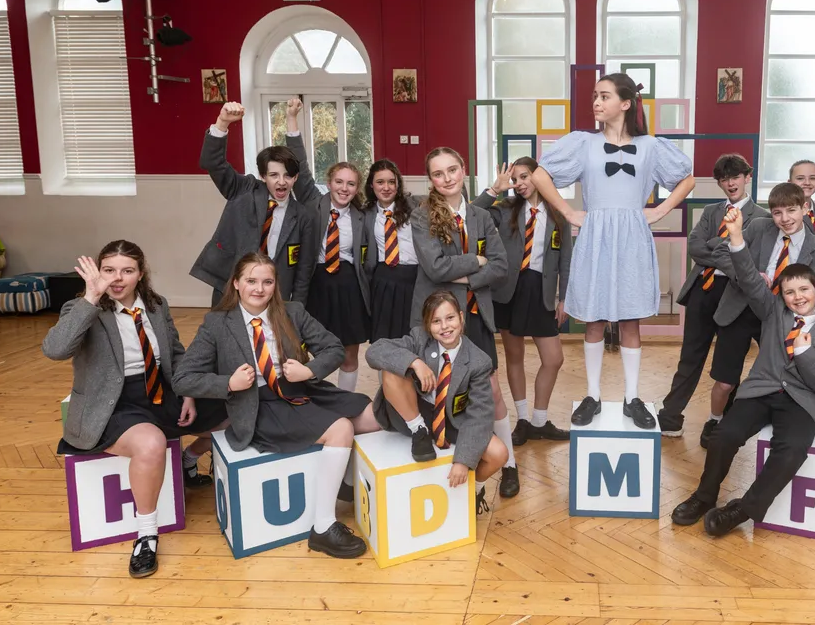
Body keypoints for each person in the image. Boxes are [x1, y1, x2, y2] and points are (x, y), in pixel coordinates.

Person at [174, 253, 381, 559]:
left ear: (275, 285)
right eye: (251, 281)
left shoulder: (292, 312)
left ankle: (342, 482)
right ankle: (323, 526)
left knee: (372, 418)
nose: (259, 289)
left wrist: (309, 371)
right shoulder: (217, 323)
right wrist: (228, 384)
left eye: (267, 281)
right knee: (342, 429)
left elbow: (334, 348)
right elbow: (183, 378)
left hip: (299, 387)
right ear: (236, 284)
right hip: (257, 401)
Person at [43, 240, 227, 578]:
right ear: (98, 273)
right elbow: (55, 349)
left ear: (140, 274)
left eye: (127, 270)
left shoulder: (156, 306)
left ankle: (188, 461)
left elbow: (176, 352)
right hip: (114, 404)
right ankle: (146, 535)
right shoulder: (82, 308)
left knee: (235, 406)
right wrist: (90, 297)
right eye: (109, 270)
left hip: (160, 391)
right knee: (151, 443)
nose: (117, 278)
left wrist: (188, 392)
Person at [529, 72, 696, 429]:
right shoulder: (583, 144)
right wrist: (570, 212)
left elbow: (688, 178)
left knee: (631, 320)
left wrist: (661, 210)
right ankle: (592, 395)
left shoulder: (651, 147)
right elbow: (540, 175)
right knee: (594, 318)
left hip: (633, 236)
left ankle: (632, 398)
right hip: (595, 236)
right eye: (594, 96)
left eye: (604, 96)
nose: (596, 102)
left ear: (625, 102)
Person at [670, 207, 815, 534]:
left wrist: (806, 353)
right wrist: (736, 237)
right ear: (781, 294)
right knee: (724, 436)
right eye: (790, 291)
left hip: (801, 401)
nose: (797, 297)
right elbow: (750, 279)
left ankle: (742, 510)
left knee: (792, 451)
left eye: (804, 290)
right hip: (761, 391)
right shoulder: (772, 312)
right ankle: (703, 496)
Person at [410, 147, 520, 498]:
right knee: (442, 389)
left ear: (463, 170)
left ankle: (509, 464)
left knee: (494, 393)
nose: (447, 178)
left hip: (476, 314)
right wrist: (475, 259)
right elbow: (435, 268)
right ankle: (449, 460)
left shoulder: (480, 216)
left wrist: (465, 278)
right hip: (441, 320)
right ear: (430, 180)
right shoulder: (422, 215)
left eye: (452, 170)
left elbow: (501, 267)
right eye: (438, 173)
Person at [365, 290, 510, 513]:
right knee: (391, 371)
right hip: (417, 410)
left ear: (461, 318)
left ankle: (475, 489)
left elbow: (480, 416)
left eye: (450, 318)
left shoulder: (479, 361)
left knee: (499, 453)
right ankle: (419, 431)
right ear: (428, 325)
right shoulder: (419, 339)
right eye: (436, 321)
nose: (444, 327)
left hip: (452, 419)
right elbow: (376, 350)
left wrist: (463, 460)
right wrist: (414, 362)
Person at [477, 158, 572, 446]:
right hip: (509, 291)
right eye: (514, 179)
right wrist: (496, 189)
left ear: (539, 177)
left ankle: (541, 420)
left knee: (554, 359)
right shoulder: (505, 209)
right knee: (514, 357)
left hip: (541, 290)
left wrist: (564, 297)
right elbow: (472, 214)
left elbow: (566, 259)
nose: (518, 184)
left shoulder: (559, 214)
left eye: (524, 177)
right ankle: (523, 420)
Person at [284, 98, 372, 393]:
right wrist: (291, 119)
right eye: (339, 181)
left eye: (350, 184)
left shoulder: (362, 216)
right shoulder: (312, 202)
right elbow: (299, 163)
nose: (344, 188)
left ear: (357, 188)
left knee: (349, 352)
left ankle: (345, 401)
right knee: (310, 348)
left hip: (349, 287)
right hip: (316, 283)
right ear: (329, 182)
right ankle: (314, 399)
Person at [190, 102, 313, 306]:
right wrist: (222, 123)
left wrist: (296, 307)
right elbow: (213, 163)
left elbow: (304, 269)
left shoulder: (302, 215)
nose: (281, 182)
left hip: (275, 292)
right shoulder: (244, 189)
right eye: (274, 175)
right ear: (263, 176)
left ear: (296, 177)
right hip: (231, 284)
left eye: (287, 176)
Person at [363, 158, 422, 341]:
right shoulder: (366, 214)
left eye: (391, 182)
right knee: (384, 340)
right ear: (372, 185)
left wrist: (491, 193)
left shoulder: (416, 206)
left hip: (414, 278)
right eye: (380, 182)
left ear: (398, 184)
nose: (386, 187)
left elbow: (454, 209)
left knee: (413, 336)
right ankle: (386, 370)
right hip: (383, 280)